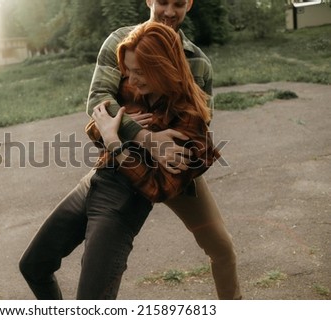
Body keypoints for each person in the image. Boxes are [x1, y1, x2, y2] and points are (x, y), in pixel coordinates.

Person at [19, 21, 219, 300]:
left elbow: (157, 188)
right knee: (33, 266)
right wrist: (123, 128)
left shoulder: (190, 123)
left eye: (139, 73)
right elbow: (95, 125)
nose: (130, 80)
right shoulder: (133, 92)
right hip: (94, 181)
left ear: (163, 68)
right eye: (128, 71)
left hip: (122, 204)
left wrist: (116, 141)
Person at [84, 0, 241, 299]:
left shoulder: (198, 62)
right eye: (163, 2)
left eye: (178, 3)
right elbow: (98, 104)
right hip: (122, 164)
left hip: (172, 168)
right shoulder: (120, 42)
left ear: (189, 4)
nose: (169, 11)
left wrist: (126, 121)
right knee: (79, 251)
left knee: (222, 249)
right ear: (149, 1)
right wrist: (144, 136)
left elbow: (196, 127)